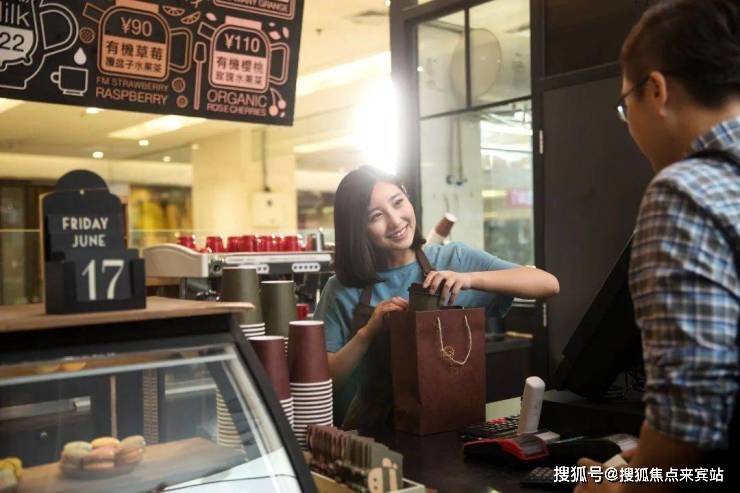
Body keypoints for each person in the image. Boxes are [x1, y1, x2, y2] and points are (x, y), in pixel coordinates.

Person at [576, 0, 740, 491]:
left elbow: (688, 421)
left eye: (625, 105)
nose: (629, 122)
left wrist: (620, 484)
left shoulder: (684, 192)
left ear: (655, 90)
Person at [313, 165, 560, 430]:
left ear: (407, 197)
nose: (395, 221)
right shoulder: (342, 288)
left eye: (398, 202)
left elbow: (547, 284)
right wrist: (367, 332)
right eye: (376, 216)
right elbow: (323, 382)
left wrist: (469, 279)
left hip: (456, 423)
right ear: (357, 228)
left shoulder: (455, 259)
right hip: (374, 431)